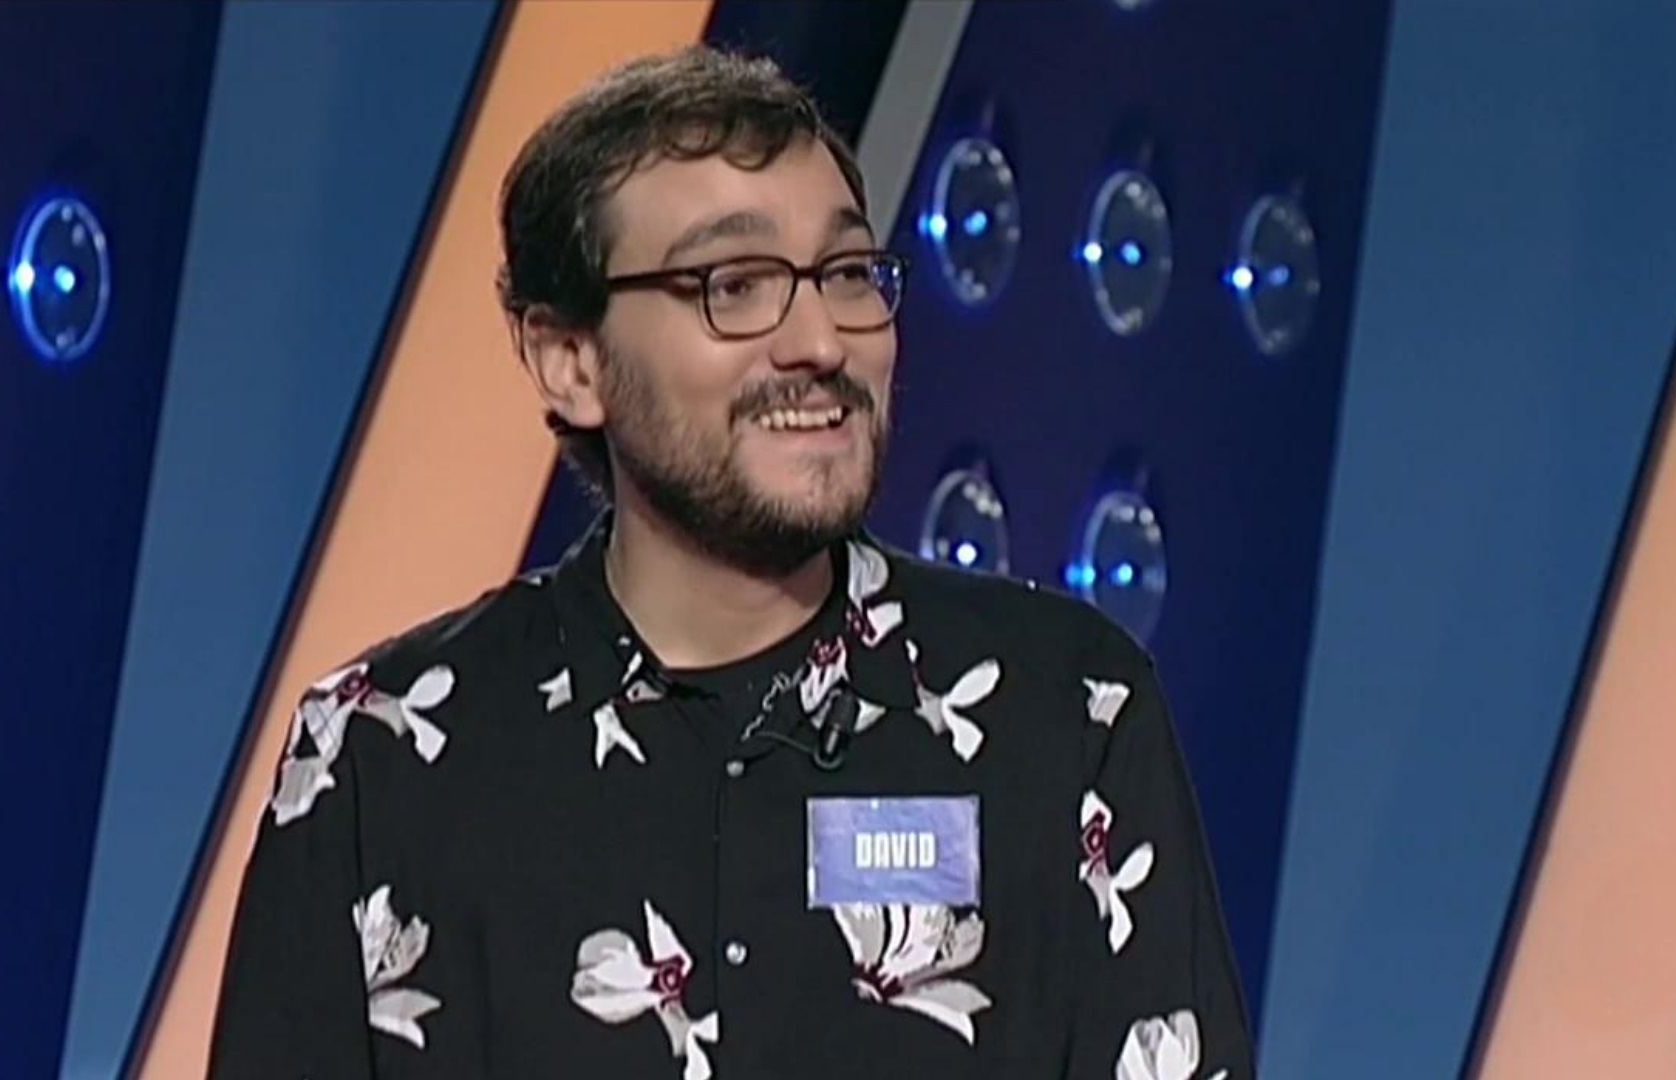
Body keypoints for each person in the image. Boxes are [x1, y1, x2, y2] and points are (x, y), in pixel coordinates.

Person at [209, 45, 1254, 1080]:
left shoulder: (1069, 711)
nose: (820, 343)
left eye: (845, 274)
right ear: (570, 361)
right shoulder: (382, 756)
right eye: (735, 285)